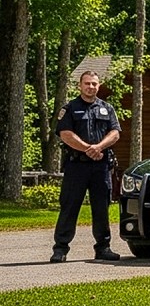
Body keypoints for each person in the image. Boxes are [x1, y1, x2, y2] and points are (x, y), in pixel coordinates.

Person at [51, 71, 122, 263]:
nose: (91, 87)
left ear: (99, 86)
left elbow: (115, 133)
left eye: (94, 84)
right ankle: (60, 249)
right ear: (80, 86)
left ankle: (103, 248)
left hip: (100, 166)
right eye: (87, 84)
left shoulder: (107, 108)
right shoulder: (70, 108)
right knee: (69, 206)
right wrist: (87, 149)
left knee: (101, 208)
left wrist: (98, 147)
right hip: (77, 167)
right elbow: (65, 134)